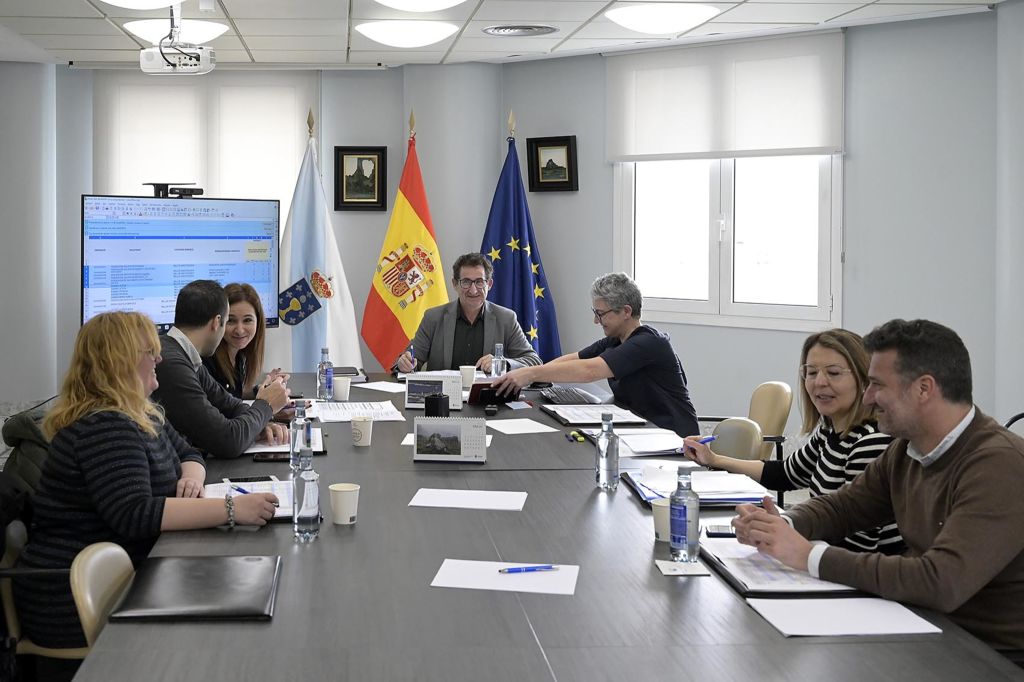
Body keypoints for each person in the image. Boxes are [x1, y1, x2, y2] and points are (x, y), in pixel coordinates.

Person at [732, 319, 1024, 655]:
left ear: (924, 389)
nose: (868, 397)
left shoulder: (999, 465)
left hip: (988, 656)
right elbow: (845, 507)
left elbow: (941, 582)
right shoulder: (908, 448)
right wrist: (780, 525)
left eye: (876, 384)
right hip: (925, 627)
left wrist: (807, 555)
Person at [13, 312, 278, 680]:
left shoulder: (142, 411)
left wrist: (191, 472)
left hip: (128, 569)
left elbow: (190, 451)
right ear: (120, 362)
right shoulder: (103, 425)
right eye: (150, 351)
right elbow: (136, 514)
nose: (159, 359)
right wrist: (232, 509)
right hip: (73, 596)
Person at [682, 329, 902, 554]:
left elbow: (856, 546)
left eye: (834, 373)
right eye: (811, 372)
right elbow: (785, 473)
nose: (820, 382)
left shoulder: (871, 441)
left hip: (867, 576)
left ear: (864, 379)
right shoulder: (829, 428)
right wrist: (714, 459)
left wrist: (784, 530)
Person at [492, 272, 699, 438]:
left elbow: (589, 371)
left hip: (671, 438)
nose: (596, 321)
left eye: (601, 314)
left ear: (626, 311)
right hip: (640, 430)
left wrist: (531, 375)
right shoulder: (616, 339)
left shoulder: (648, 342)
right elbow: (576, 359)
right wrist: (533, 374)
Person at [151, 280, 290, 458]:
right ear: (217, 322)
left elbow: (228, 404)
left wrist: (260, 423)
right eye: (228, 321)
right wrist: (265, 406)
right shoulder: (172, 364)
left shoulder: (183, 353)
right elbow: (227, 441)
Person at [393, 253, 541, 373]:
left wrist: (503, 363)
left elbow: (534, 360)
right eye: (466, 282)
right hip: (443, 400)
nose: (473, 290)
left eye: (479, 282)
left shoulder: (506, 319)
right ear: (455, 284)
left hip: (487, 400)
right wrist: (404, 364)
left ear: (489, 284)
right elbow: (411, 360)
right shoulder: (434, 317)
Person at [203, 282, 287, 399]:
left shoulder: (239, 356)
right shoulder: (207, 361)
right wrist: (265, 406)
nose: (240, 330)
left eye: (247, 320)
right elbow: (220, 410)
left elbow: (232, 397)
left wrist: (264, 389)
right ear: (219, 321)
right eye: (231, 321)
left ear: (258, 322)